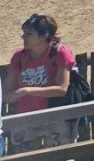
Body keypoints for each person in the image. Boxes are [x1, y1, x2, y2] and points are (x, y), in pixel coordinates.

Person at [3, 14, 78, 153]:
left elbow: (62, 89)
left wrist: (26, 91)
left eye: (29, 33)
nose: (23, 37)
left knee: (59, 156)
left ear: (44, 36)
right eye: (24, 33)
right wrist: (12, 95)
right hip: (25, 119)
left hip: (55, 118)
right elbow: (9, 90)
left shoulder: (59, 53)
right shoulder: (19, 56)